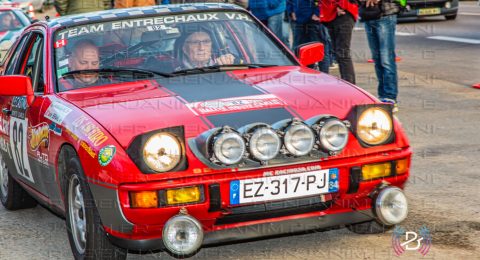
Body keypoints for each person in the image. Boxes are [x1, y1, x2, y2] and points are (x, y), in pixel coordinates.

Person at [361, 0, 401, 111]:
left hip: (385, 15)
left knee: (386, 60)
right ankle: (383, 95)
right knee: (377, 60)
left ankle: (390, 97)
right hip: (368, 16)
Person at [320, 0, 358, 84]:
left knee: (342, 53)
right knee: (338, 53)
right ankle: (347, 83)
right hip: (332, 14)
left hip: (342, 13)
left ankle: (350, 85)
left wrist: (341, 5)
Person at [287, 0, 330, 72]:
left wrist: (318, 12)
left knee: (321, 51)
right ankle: (306, 75)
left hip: (314, 21)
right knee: (302, 52)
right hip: (299, 20)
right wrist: (291, 11)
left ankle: (325, 77)